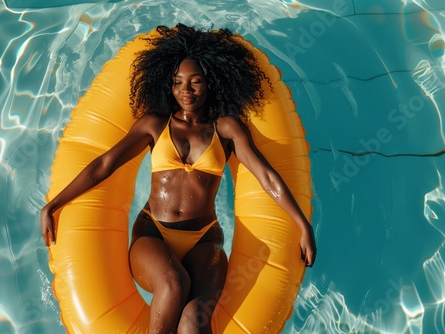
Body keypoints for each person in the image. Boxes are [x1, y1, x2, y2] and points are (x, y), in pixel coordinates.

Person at [40, 23, 316, 334]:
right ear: (169, 86)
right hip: (153, 234)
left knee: (194, 319)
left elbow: (266, 176)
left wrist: (302, 225)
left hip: (204, 240)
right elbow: (104, 164)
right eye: (178, 82)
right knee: (173, 283)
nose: (186, 90)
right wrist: (52, 205)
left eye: (195, 81)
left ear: (211, 83)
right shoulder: (154, 125)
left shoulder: (226, 129)